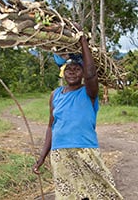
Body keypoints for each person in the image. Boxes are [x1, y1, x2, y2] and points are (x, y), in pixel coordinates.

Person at [33, 25, 123, 200]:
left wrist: (83, 42)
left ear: (83, 73)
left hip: (85, 150)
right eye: (68, 69)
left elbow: (91, 75)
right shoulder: (55, 95)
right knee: (68, 196)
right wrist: (42, 156)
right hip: (60, 154)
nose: (72, 71)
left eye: (77, 68)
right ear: (62, 73)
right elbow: (51, 126)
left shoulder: (89, 92)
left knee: (100, 193)